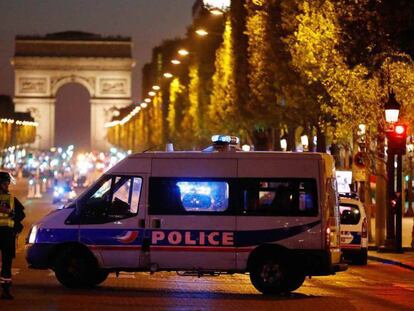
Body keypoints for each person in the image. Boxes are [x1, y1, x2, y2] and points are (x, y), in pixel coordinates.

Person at [0, 171, 25, 300]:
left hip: (7, 235)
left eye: (7, 183)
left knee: (7, 263)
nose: (7, 186)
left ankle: (5, 289)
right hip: (6, 235)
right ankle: (5, 290)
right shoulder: (10, 199)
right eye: (5, 183)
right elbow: (21, 215)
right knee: (6, 262)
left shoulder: (10, 198)